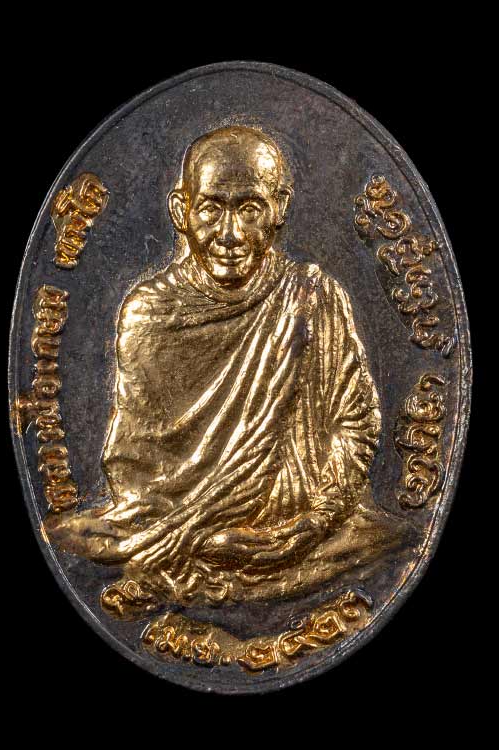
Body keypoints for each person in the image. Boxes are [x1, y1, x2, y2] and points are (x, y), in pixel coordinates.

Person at [46, 126, 415, 611]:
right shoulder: (149, 315)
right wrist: (196, 527)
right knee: (73, 540)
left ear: (279, 208)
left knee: (397, 540)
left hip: (311, 525)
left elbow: (356, 423)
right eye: (211, 209)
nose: (230, 234)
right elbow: (134, 469)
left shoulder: (313, 298)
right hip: (175, 531)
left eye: (250, 209)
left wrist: (311, 524)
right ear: (181, 211)